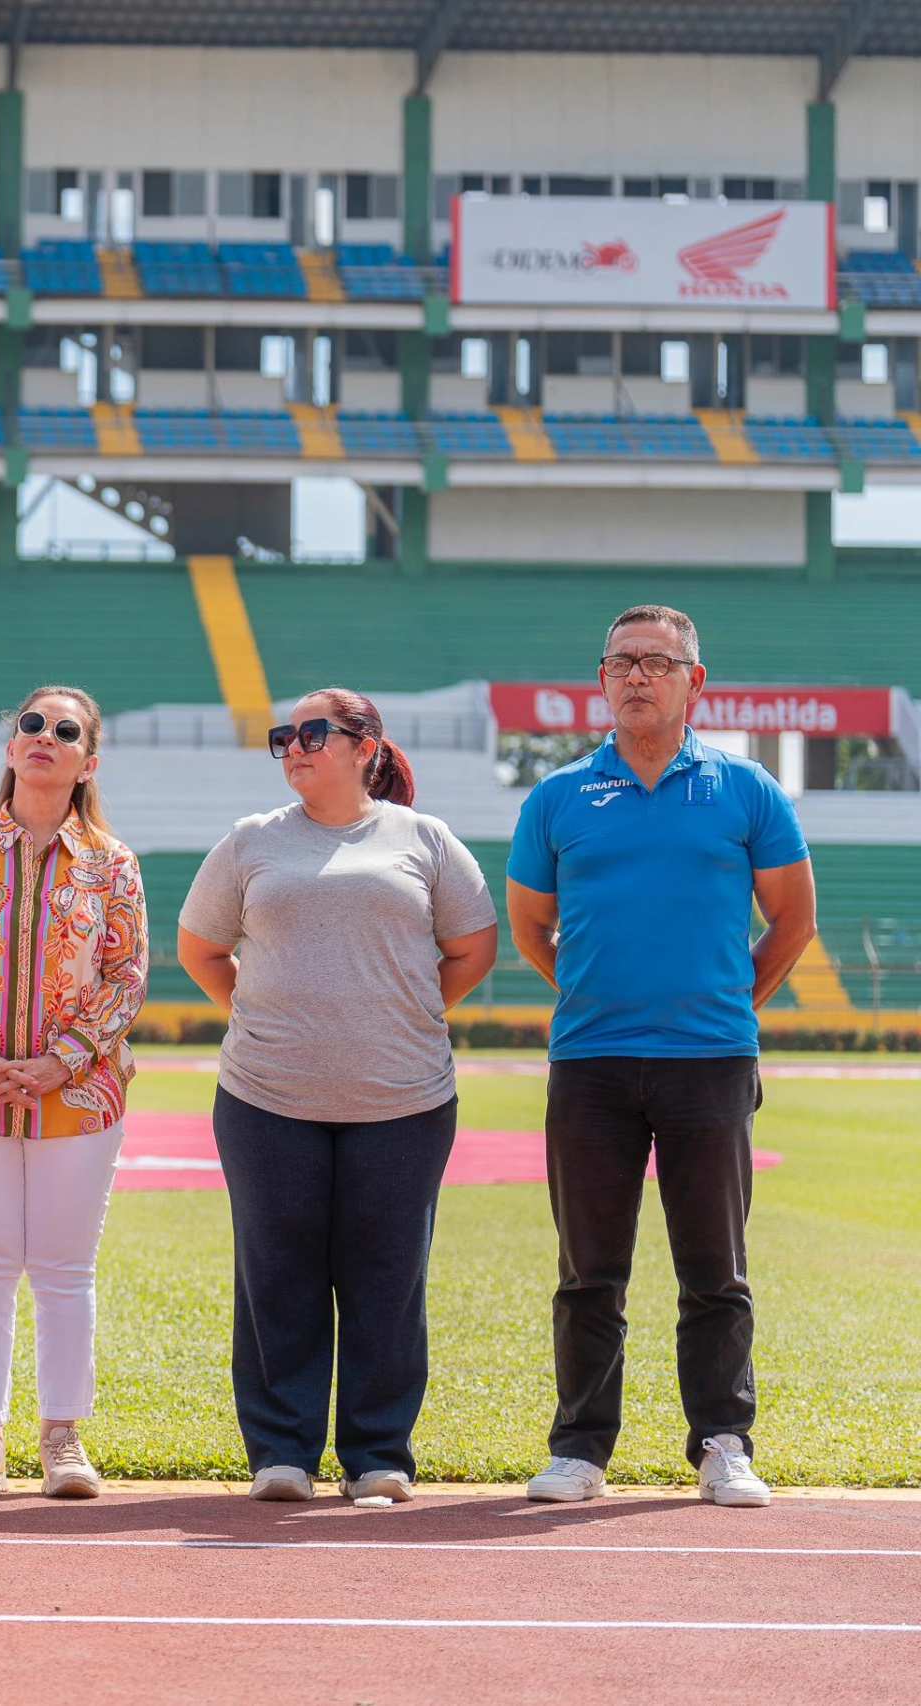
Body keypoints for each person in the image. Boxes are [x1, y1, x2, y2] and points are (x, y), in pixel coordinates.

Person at [507, 605, 814, 1509]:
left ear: (694, 681)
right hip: (592, 1061)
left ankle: (724, 1440)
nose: (637, 676)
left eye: (657, 662)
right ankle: (579, 1450)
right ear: (601, 681)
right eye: (620, 662)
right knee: (588, 1268)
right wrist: (595, 994)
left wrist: (727, 1006)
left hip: (710, 1060)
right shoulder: (558, 797)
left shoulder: (746, 789)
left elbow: (792, 920)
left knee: (714, 1267)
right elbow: (530, 923)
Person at [176, 688, 497, 1504]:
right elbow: (202, 950)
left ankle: (376, 1452)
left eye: (313, 732)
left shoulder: (424, 839)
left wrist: (403, 1014)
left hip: (404, 1101)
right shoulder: (251, 841)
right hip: (265, 1097)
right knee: (275, 1275)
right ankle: (280, 1452)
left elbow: (471, 949)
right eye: (285, 734)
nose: (294, 745)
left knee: (387, 1277)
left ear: (367, 747)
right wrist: (266, 1012)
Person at [0, 686, 147, 1499]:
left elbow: (126, 976)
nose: (44, 738)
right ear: (11, 747)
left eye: (66, 731)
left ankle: (63, 1440)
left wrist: (65, 1061)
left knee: (63, 1267)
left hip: (79, 1093)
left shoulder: (113, 863)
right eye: (30, 725)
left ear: (89, 760)